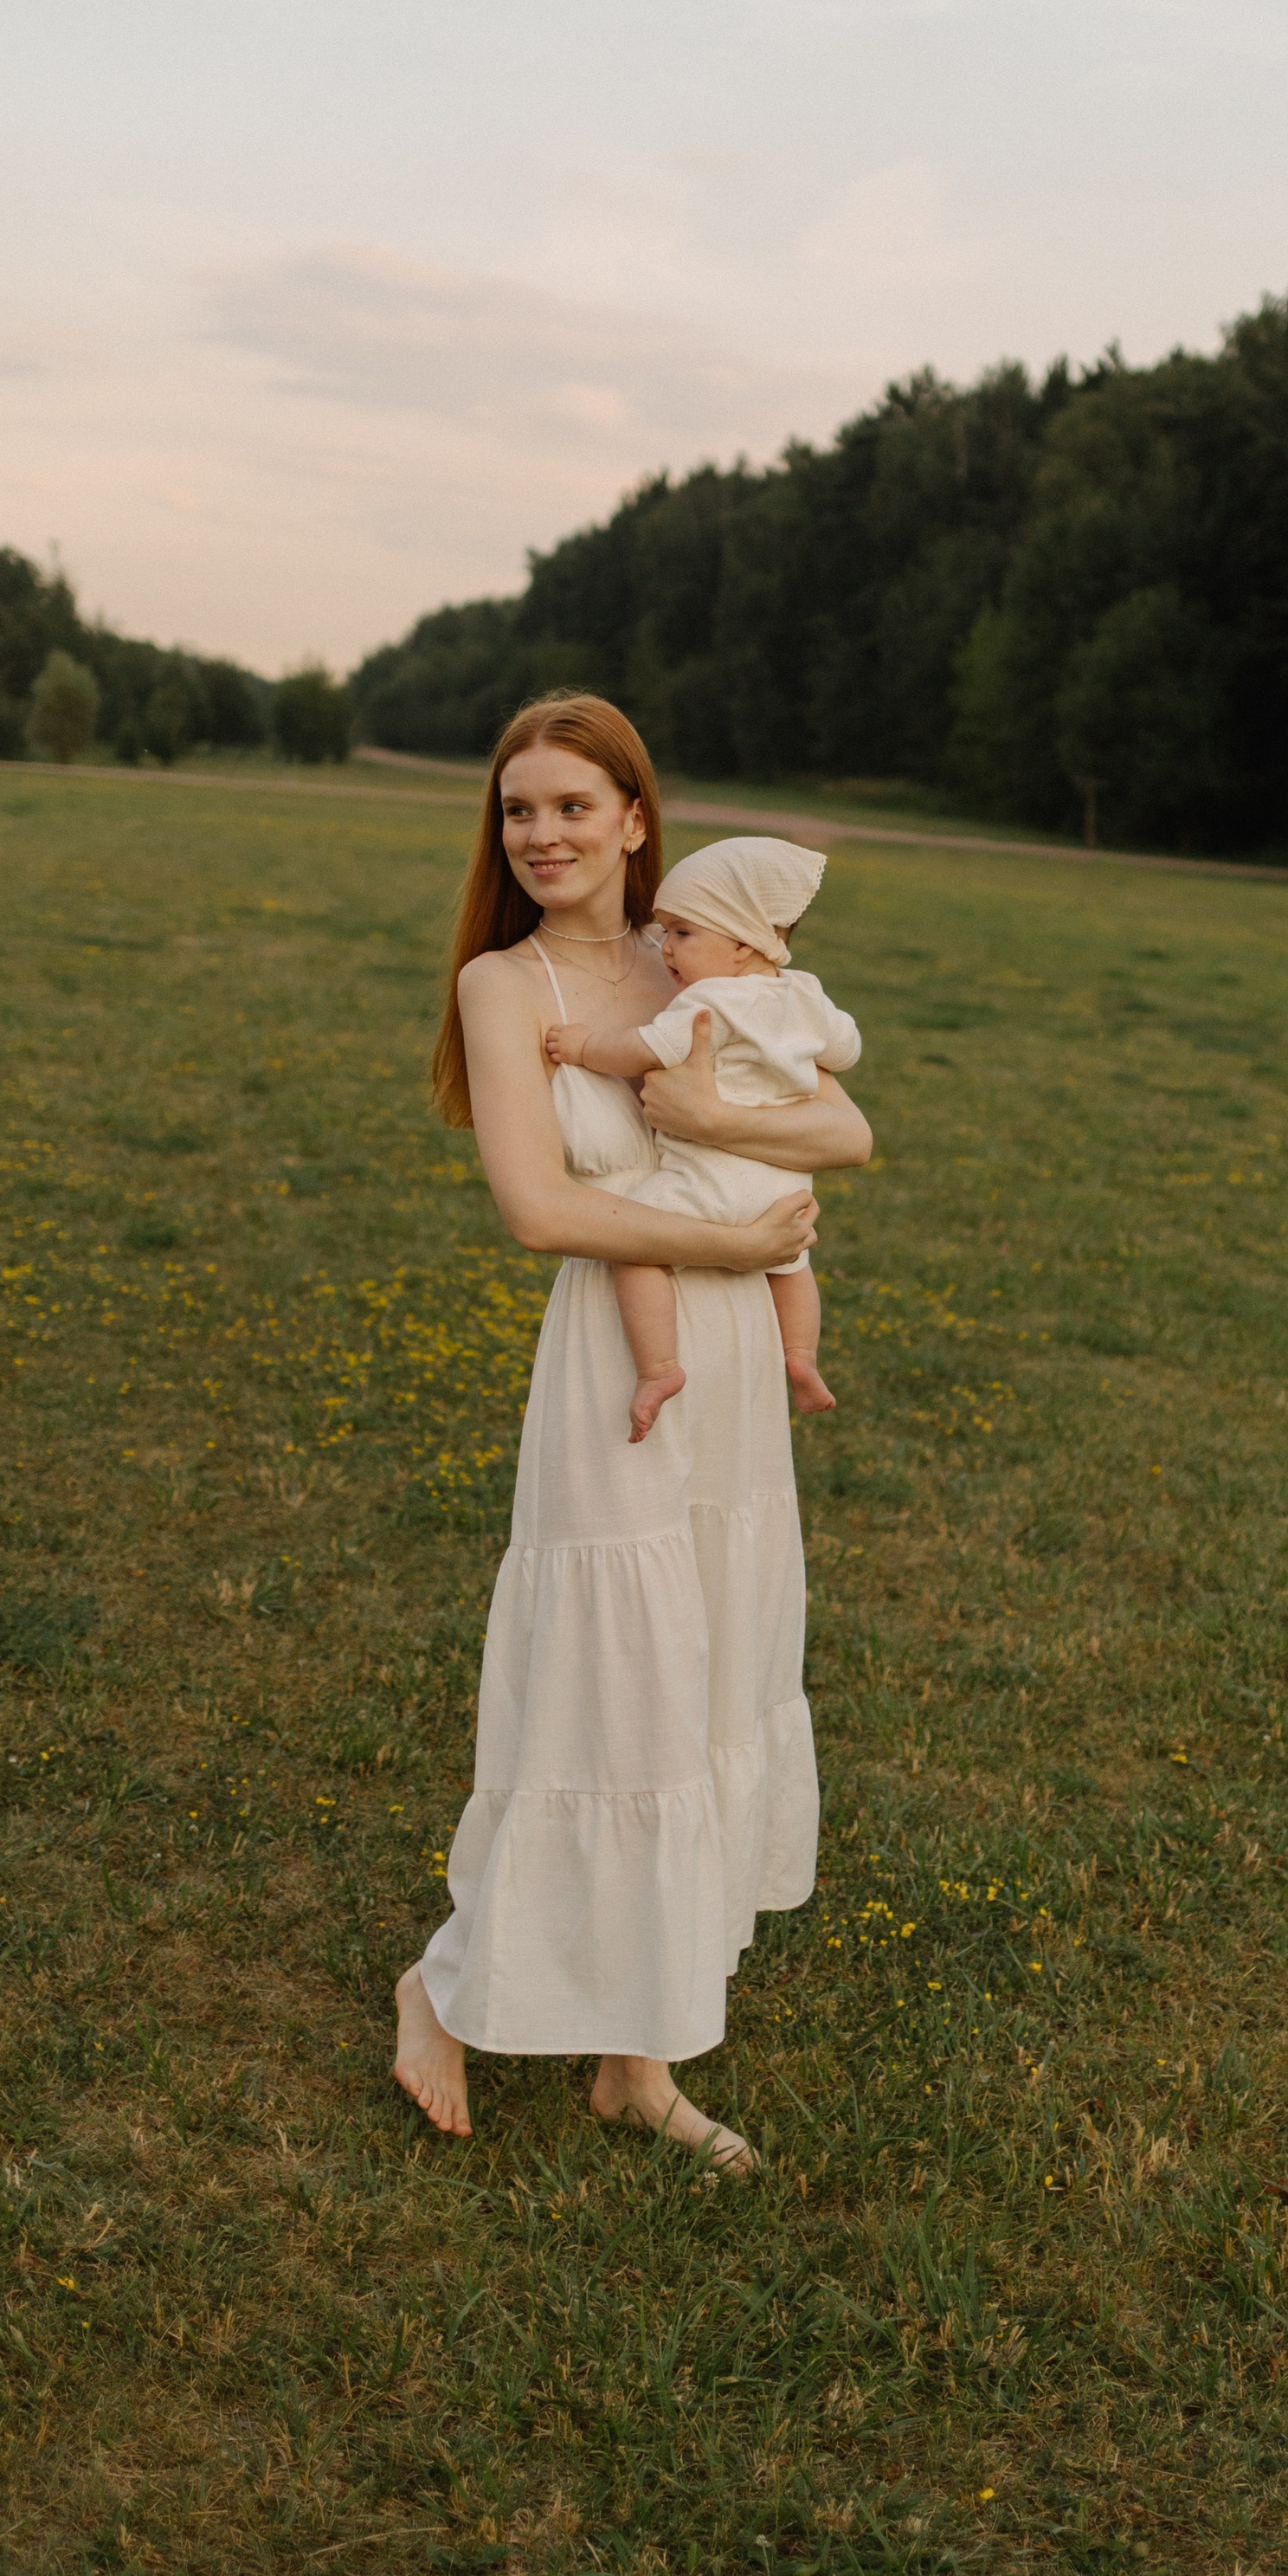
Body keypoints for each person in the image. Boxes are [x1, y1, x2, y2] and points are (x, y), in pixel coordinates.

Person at [392, 694, 873, 2172]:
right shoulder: (502, 982)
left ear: (636, 819)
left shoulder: (706, 953)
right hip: (620, 1354)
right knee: (607, 1683)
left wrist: (697, 1114)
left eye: (571, 808)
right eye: (519, 809)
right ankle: (445, 1985)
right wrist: (731, 1237)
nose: (540, 834)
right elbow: (541, 1209)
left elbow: (847, 1134)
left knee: (711, 1666)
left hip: (728, 1368)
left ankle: (638, 2065)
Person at [539, 834, 859, 1440]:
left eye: (684, 933)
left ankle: (658, 1367)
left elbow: (644, 1048)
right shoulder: (808, 995)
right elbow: (846, 1048)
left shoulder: (708, 999)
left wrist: (583, 1045)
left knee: (635, 1242)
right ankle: (800, 1358)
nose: (667, 950)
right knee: (793, 1265)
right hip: (782, 1184)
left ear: (741, 944)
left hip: (707, 1181)